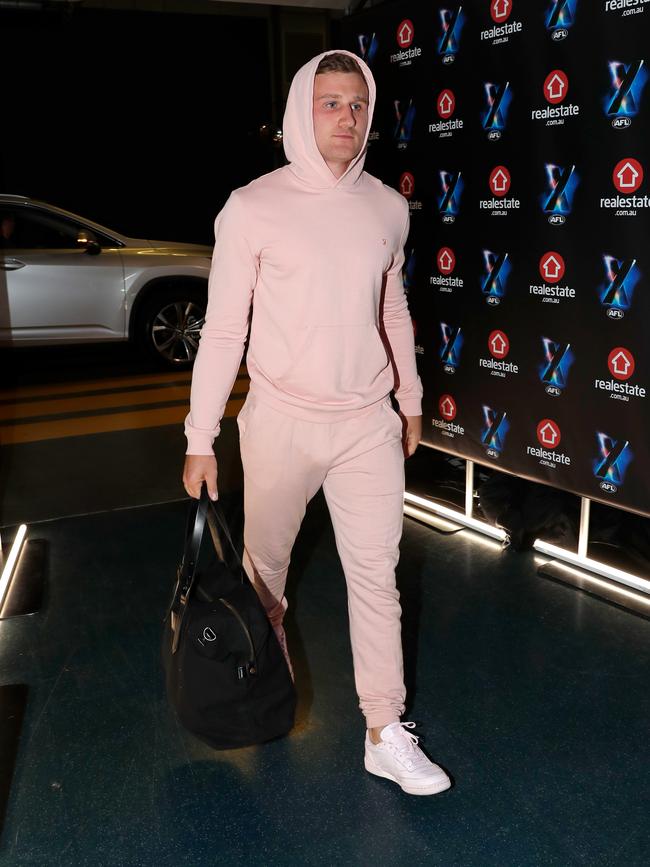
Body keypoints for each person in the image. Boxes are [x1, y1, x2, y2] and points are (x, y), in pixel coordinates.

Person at [182, 49, 451, 796]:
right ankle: (256, 690)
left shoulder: (387, 207)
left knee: (376, 577)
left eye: (357, 104)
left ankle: (382, 727)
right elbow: (224, 329)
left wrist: (410, 400)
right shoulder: (252, 206)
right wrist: (200, 436)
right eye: (330, 102)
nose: (346, 117)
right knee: (263, 580)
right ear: (303, 109)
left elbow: (391, 308)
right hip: (280, 424)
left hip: (366, 423)